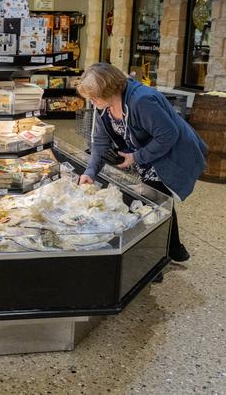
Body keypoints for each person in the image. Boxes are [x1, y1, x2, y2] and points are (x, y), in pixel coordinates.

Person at [77, 63, 208, 267]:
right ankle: (172, 250)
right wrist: (90, 172)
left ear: (109, 89)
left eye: (94, 97)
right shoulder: (103, 107)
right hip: (147, 152)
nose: (92, 102)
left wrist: (137, 157)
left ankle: (157, 257)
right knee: (154, 199)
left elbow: (168, 135)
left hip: (171, 153)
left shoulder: (142, 100)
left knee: (153, 197)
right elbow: (100, 143)